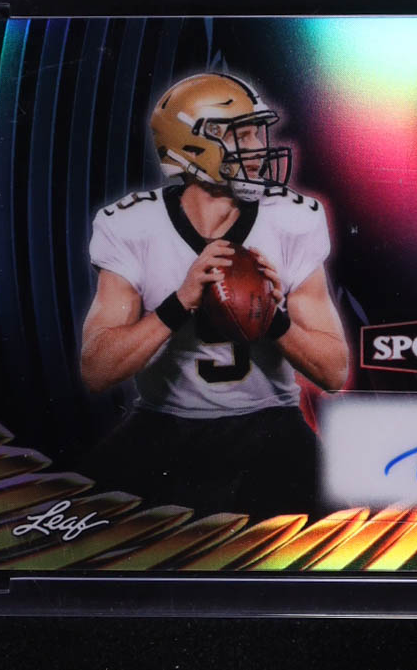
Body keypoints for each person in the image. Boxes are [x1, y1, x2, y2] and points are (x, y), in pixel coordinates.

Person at [79, 73, 349, 518]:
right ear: (191, 147)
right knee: (81, 528)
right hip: (164, 424)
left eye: (257, 133)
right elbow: (97, 370)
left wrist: (273, 317)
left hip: (271, 426)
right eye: (241, 136)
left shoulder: (291, 219)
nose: (258, 149)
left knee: (335, 541)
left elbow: (334, 372)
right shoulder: (132, 225)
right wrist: (179, 302)